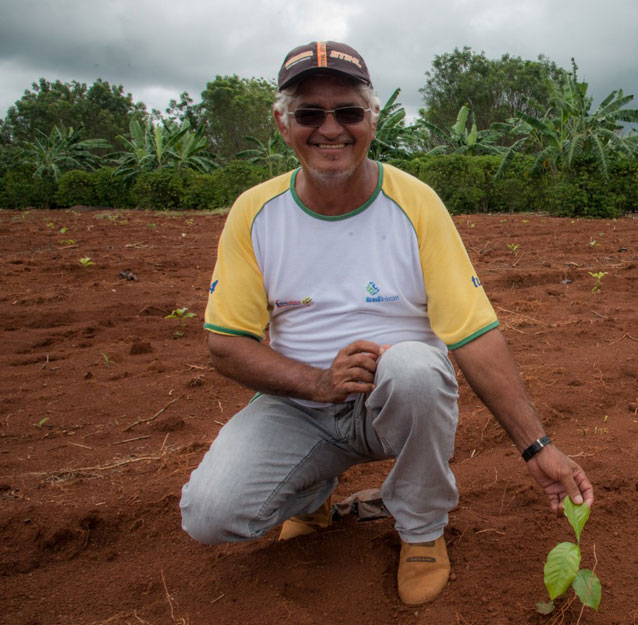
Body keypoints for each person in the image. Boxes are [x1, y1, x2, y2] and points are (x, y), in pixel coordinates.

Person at [179, 40, 594, 607]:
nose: (331, 129)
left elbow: (473, 332)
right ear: (283, 124)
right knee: (210, 515)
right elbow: (226, 345)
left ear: (373, 119)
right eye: (310, 114)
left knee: (414, 366)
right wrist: (318, 383)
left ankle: (421, 527)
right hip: (300, 408)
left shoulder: (415, 204)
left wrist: (536, 445)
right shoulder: (255, 213)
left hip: (394, 401)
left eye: (349, 111)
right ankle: (313, 495)